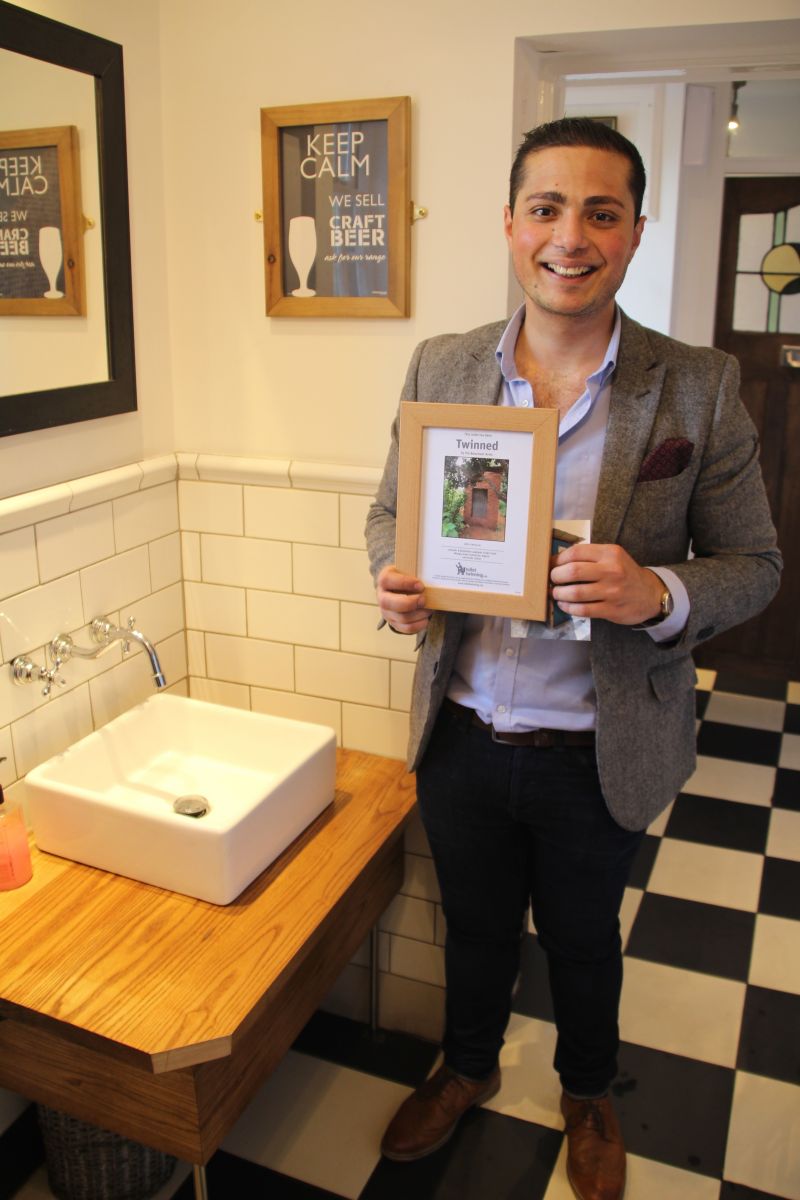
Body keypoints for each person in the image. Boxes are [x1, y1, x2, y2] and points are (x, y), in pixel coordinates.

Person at [365, 117, 781, 1200]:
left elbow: (756, 563)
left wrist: (658, 592)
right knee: (474, 925)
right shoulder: (442, 362)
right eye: (546, 208)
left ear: (636, 232)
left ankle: (587, 1092)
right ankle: (462, 1069)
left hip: (597, 740)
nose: (569, 235)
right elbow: (387, 514)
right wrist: (396, 579)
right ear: (510, 224)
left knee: (586, 938)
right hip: (458, 725)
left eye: (600, 211)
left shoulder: (695, 386)